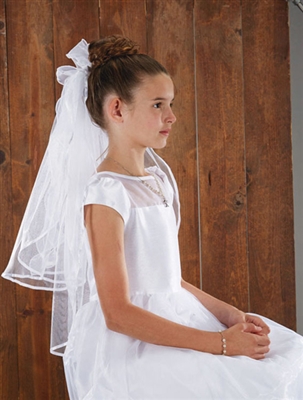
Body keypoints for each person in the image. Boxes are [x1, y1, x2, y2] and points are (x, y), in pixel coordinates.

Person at [2, 36, 303, 400]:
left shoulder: (157, 180)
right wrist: (220, 344)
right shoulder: (106, 194)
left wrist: (228, 313)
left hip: (179, 316)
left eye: (171, 104)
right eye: (158, 104)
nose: (171, 116)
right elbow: (117, 312)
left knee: (289, 357)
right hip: (134, 346)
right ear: (117, 110)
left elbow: (166, 278)